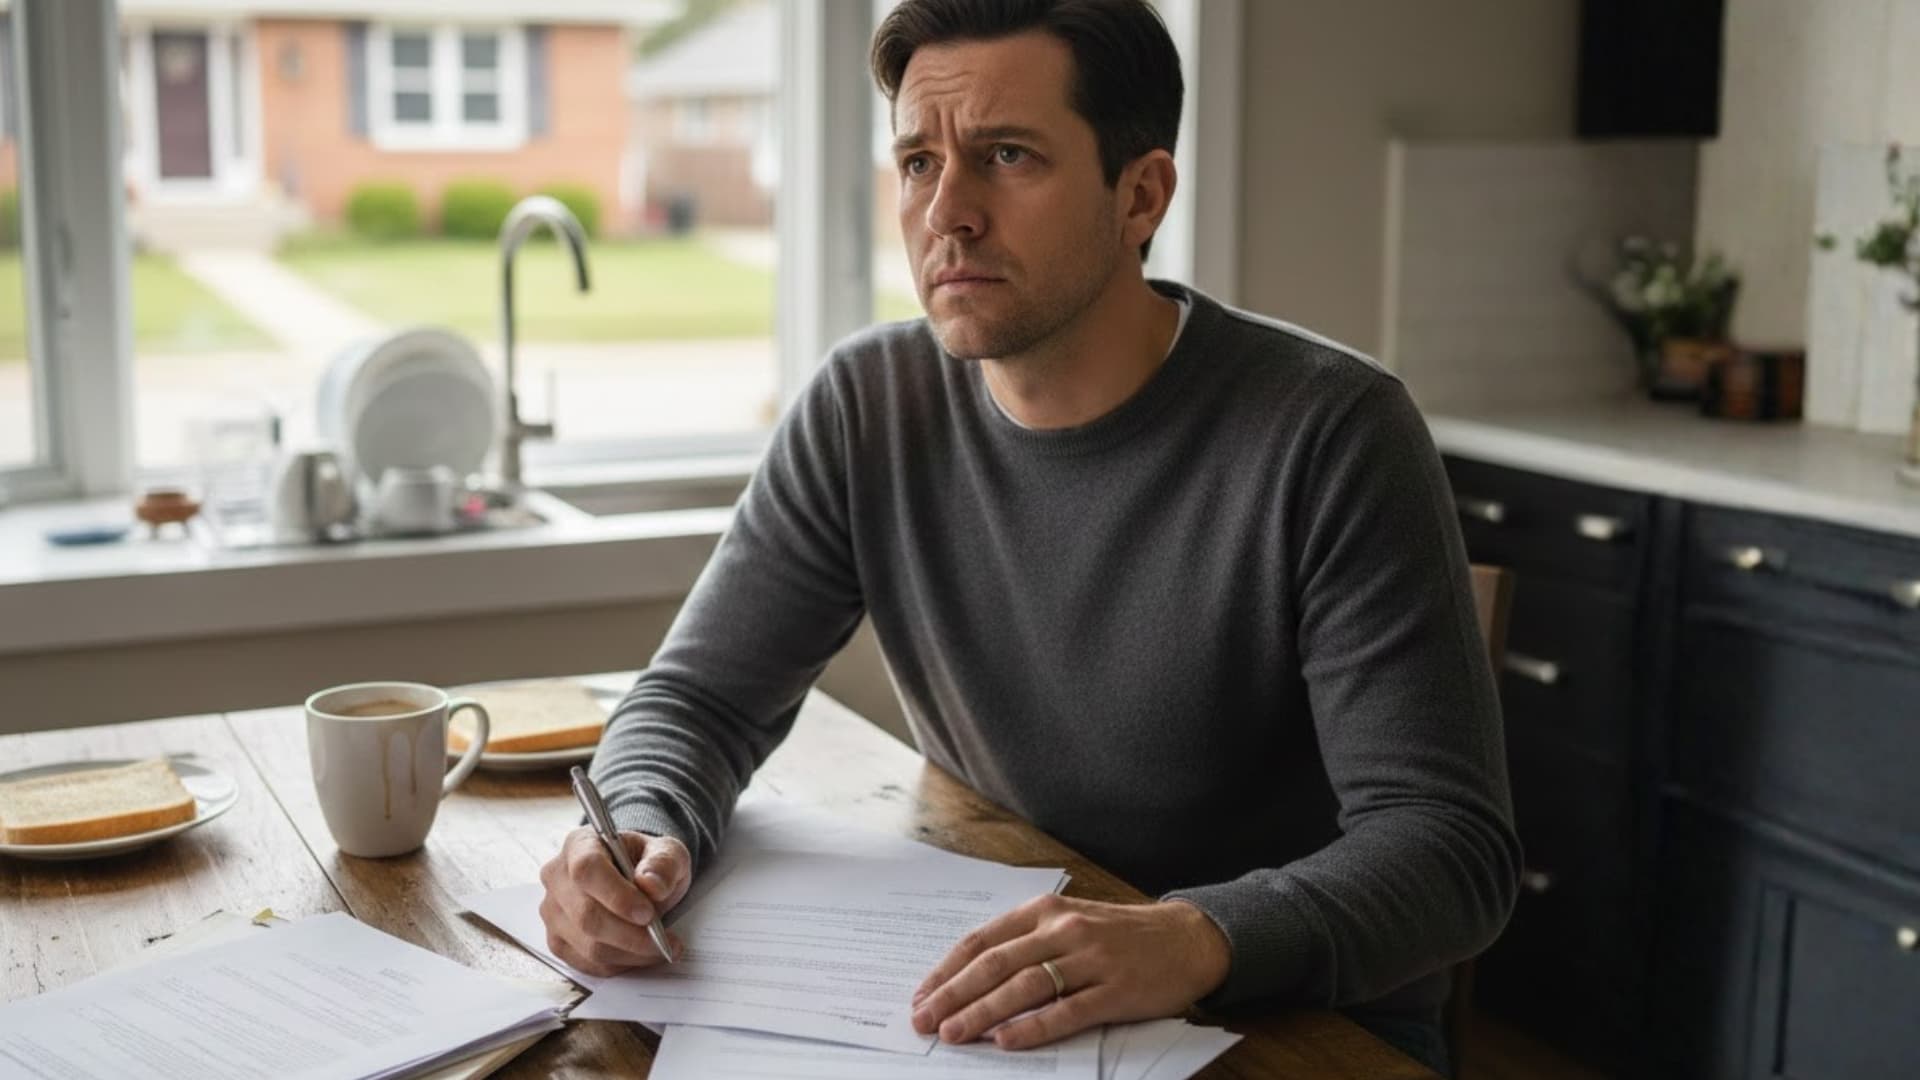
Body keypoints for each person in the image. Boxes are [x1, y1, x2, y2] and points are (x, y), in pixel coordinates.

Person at [537, 1, 1518, 1073]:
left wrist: (1198, 937)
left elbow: (1449, 852)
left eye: (1007, 156)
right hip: (985, 1000)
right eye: (918, 161)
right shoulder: (869, 404)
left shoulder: (1333, 431)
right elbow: (700, 699)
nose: (946, 212)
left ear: (1140, 194)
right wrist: (633, 831)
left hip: (1281, 1026)